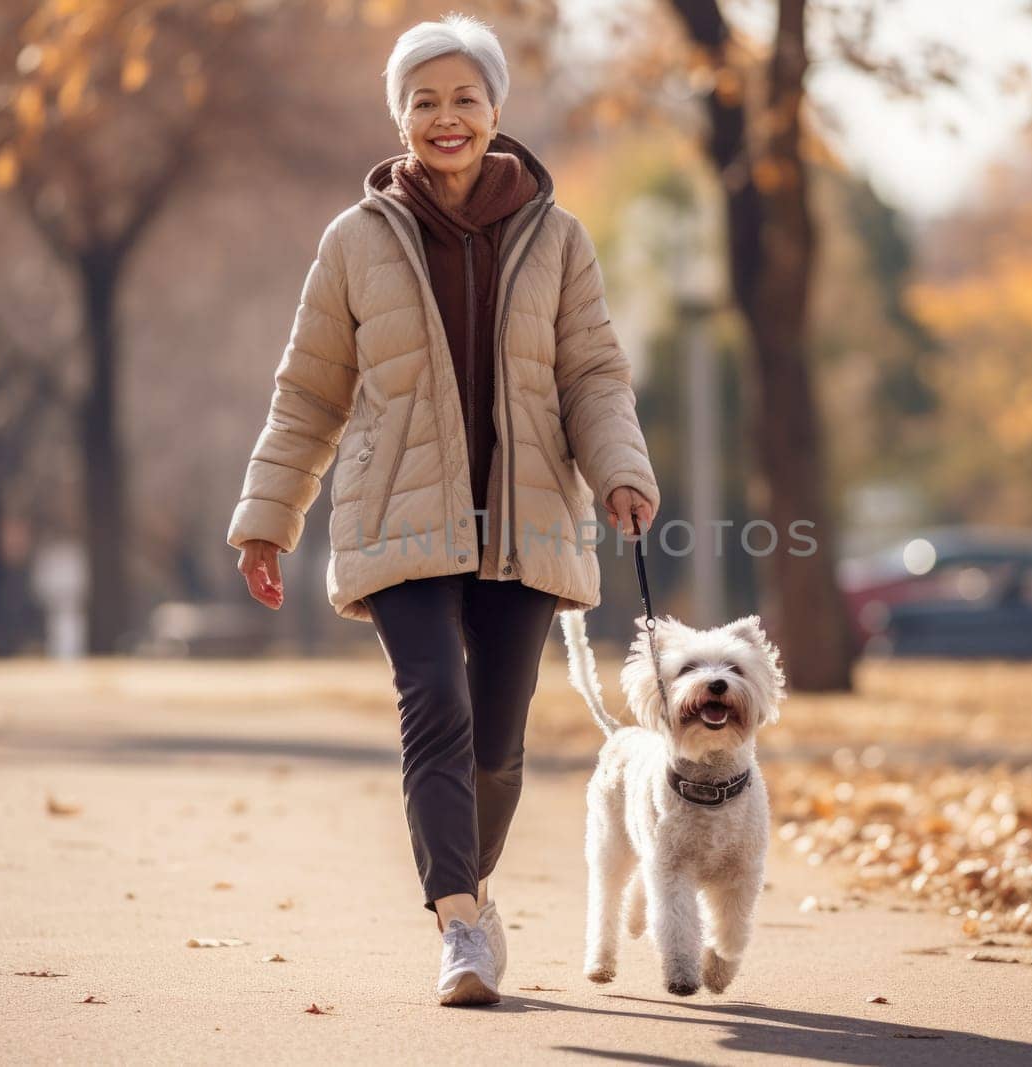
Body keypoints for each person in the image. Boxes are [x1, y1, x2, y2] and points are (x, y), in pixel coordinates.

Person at [224, 13, 660, 1007]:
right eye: (424, 101)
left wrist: (621, 469)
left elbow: (593, 374)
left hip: (526, 514)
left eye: (465, 98)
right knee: (437, 705)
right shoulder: (353, 242)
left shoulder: (556, 237)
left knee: (498, 742)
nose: (446, 118)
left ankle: (473, 884)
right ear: (400, 118)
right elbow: (310, 392)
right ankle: (459, 924)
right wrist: (268, 515)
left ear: (496, 111)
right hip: (396, 515)